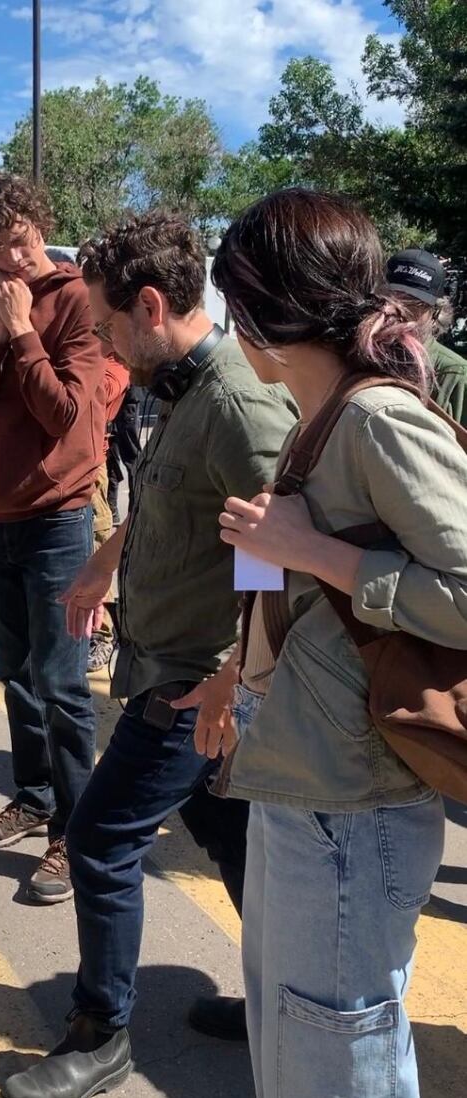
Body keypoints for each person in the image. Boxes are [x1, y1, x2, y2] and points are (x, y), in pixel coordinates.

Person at [1, 211, 296, 1098]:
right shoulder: (189, 392)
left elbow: (283, 554)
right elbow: (186, 505)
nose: (98, 338)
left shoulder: (238, 404)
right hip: (183, 669)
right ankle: (280, 1003)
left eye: (103, 321)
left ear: (153, 306)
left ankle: (101, 1033)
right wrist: (106, 555)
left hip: (195, 681)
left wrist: (227, 682)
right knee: (228, 834)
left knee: (96, 839)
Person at [199, 189, 466, 1098]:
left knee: (336, 1048)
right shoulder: (322, 418)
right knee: (295, 1030)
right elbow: (302, 589)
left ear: (258, 317)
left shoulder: (375, 419)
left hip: (353, 799)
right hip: (300, 772)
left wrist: (309, 549)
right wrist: (237, 673)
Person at [0, 168, 105, 904]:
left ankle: (76, 830)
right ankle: (34, 797)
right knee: (14, 672)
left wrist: (24, 335)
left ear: (39, 222)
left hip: (57, 522)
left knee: (64, 686)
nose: (16, 256)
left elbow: (68, 415)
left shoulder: (77, 299)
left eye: (22, 237)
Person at [386, 248, 467, 426]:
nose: (397, 311)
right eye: (390, 300)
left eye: (413, 305)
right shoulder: (360, 358)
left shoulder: (453, 374)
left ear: (435, 313)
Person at [88, 353, 129, 673]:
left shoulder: (113, 360)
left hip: (89, 467)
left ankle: (103, 634)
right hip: (52, 468)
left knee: (96, 547)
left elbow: (97, 392)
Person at [105, 384, 143, 524]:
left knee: (132, 461)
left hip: (126, 404)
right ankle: (112, 508)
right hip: (111, 406)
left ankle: (135, 510)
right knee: (111, 460)